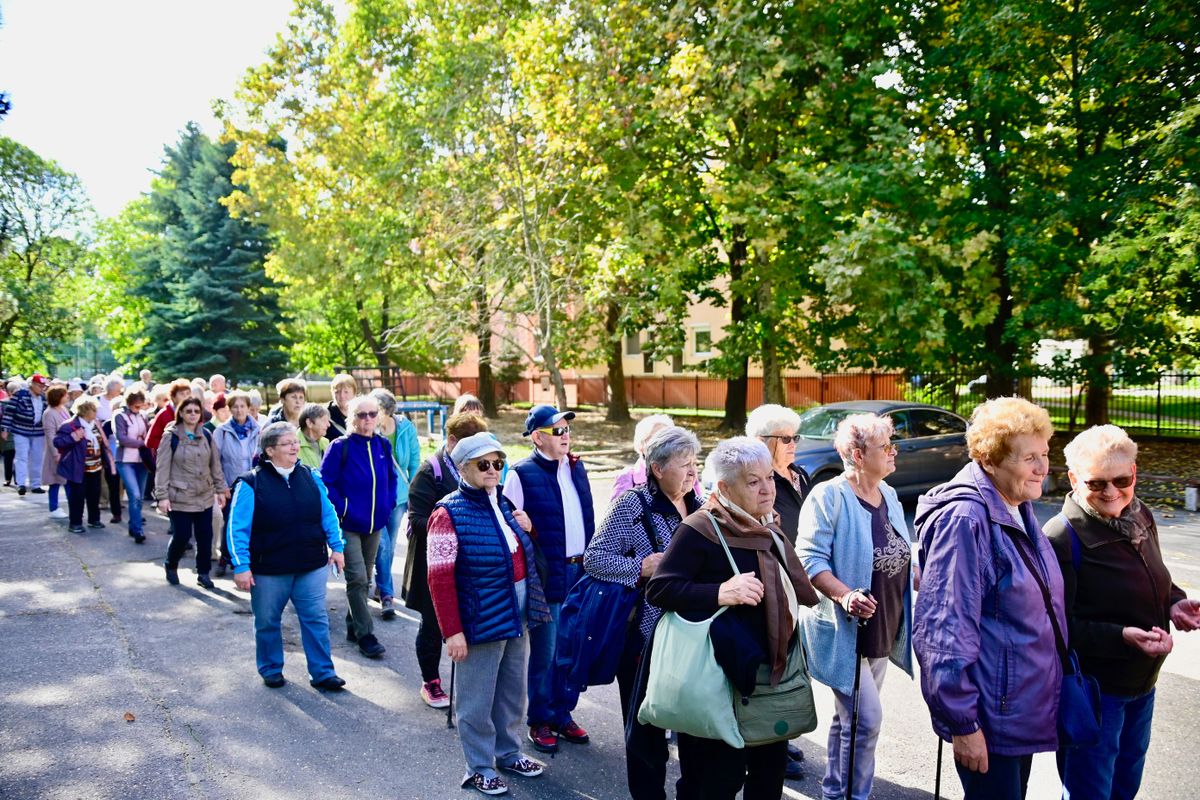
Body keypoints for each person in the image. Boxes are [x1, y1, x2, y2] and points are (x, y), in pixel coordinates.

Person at [646, 436, 819, 800]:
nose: (766, 489)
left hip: (767, 676)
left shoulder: (767, 526)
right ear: (724, 487)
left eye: (769, 478)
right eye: (752, 481)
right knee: (712, 784)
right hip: (715, 680)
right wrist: (720, 592)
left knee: (767, 781)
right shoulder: (700, 529)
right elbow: (660, 589)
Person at [913, 397, 1060, 799]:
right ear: (989, 459)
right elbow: (943, 628)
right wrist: (963, 724)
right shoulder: (964, 519)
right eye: (1029, 457)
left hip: (1016, 712)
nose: (1043, 468)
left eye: (1045, 454)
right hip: (988, 718)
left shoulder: (1015, 506)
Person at [1044, 425, 1200, 799]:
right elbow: (1057, 630)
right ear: (1073, 479)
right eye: (1096, 483)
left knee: (1126, 784)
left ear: (1134, 472)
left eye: (1121, 479)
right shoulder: (1060, 537)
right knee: (1091, 790)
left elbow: (1155, 575)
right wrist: (1122, 636)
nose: (1112, 493)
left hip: (1143, 683)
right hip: (1097, 692)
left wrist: (1174, 601)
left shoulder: (1139, 512)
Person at [427, 431, 552, 796]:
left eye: (498, 463)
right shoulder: (446, 513)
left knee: (512, 692)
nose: (493, 470)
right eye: (484, 464)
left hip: (517, 614)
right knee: (476, 700)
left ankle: (509, 753)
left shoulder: (503, 502)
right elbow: (439, 578)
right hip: (479, 619)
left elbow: (520, 554)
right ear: (462, 467)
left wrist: (529, 528)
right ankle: (479, 766)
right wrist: (452, 632)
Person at [797, 413, 914, 800]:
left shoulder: (889, 494)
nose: (894, 451)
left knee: (848, 719)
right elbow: (810, 560)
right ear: (859, 455)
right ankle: (854, 797)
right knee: (865, 722)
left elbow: (898, 552)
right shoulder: (828, 496)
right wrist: (845, 595)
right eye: (886, 446)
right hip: (845, 629)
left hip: (882, 625)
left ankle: (835, 789)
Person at [584, 425, 702, 800]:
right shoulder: (632, 505)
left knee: (694, 729)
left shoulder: (700, 504)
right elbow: (594, 559)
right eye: (684, 464)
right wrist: (639, 568)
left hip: (695, 638)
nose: (692, 472)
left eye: (694, 463)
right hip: (645, 640)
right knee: (645, 733)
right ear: (657, 469)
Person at [226, 421, 348, 691]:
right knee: (268, 621)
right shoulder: (250, 483)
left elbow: (326, 513)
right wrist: (241, 566)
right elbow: (237, 528)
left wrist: (337, 547)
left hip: (310, 565)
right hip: (269, 570)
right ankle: (270, 668)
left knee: (316, 618)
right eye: (287, 443)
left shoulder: (310, 475)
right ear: (270, 451)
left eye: (295, 441)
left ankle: (323, 673)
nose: (295, 446)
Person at [503, 404, 595, 753]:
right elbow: (509, 525)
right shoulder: (521, 474)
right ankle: (540, 718)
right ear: (538, 437)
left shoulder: (576, 468)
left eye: (567, 429)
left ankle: (562, 713)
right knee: (547, 650)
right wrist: (530, 530)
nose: (566, 436)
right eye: (558, 431)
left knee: (572, 649)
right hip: (548, 572)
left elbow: (587, 517)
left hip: (580, 570)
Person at [405, 411, 491, 709]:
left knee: (465, 621)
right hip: (434, 563)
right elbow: (416, 520)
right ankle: (431, 681)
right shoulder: (431, 471)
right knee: (433, 624)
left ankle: (469, 684)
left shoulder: (479, 468)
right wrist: (452, 526)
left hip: (468, 565)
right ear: (452, 441)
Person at [320, 394, 398, 659]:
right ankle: (366, 635)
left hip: (375, 525)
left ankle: (353, 626)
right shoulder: (340, 446)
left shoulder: (382, 446)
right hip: (349, 525)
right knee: (358, 578)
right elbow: (325, 483)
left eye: (372, 414)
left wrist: (388, 505)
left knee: (363, 578)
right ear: (351, 418)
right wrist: (343, 509)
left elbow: (391, 479)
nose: (367, 419)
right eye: (361, 414)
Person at [156, 397, 226, 589]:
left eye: (196, 411)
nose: (193, 414)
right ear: (181, 413)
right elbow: (162, 468)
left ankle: (203, 574)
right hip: (179, 496)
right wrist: (162, 496)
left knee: (205, 536)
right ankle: (171, 564)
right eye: (189, 411)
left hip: (204, 495)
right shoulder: (171, 437)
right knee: (182, 535)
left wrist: (220, 489)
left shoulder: (206, 435)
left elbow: (215, 465)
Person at [370, 388, 421, 620]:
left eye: (376, 410)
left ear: (387, 411)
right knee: (384, 545)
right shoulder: (368, 430)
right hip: (374, 497)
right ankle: (387, 594)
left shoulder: (405, 429)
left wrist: (413, 493)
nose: (371, 414)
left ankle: (382, 584)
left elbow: (413, 462)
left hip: (398, 496)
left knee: (388, 545)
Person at [746, 404, 813, 545]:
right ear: (761, 441)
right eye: (785, 439)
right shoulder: (754, 482)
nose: (792, 444)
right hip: (778, 561)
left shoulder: (801, 475)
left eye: (795, 438)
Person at [212, 391, 261, 576]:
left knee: (251, 522)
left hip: (252, 485)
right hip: (229, 485)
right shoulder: (221, 432)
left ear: (249, 408)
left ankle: (246, 560)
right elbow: (215, 461)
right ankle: (225, 557)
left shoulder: (257, 430)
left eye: (242, 406)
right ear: (229, 409)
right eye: (235, 406)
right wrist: (221, 485)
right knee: (230, 522)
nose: (239, 410)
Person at [53, 396, 117, 535]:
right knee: (78, 496)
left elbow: (102, 442)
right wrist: (74, 437)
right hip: (78, 468)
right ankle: (75, 523)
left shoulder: (96, 423)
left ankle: (94, 520)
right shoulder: (69, 425)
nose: (96, 412)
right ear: (85, 410)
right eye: (93, 410)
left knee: (94, 495)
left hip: (96, 467)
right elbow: (57, 442)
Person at [1, 373, 49, 496]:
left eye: (43, 386)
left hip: (38, 432)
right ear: (32, 384)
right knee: (21, 457)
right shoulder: (20, 395)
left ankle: (35, 485)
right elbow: (9, 412)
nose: (42, 388)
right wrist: (5, 429)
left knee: (37, 458)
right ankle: (20, 484)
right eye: (39, 385)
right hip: (21, 430)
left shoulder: (43, 398)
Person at [609, 414, 674, 503]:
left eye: (668, 438)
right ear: (641, 445)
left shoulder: (685, 473)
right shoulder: (627, 477)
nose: (663, 443)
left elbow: (699, 510)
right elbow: (616, 515)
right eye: (655, 438)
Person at [114, 389, 151, 544]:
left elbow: (149, 434)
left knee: (139, 497)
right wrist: (141, 443)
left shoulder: (143, 416)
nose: (139, 409)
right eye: (136, 406)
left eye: (141, 406)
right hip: (125, 460)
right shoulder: (119, 416)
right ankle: (137, 529)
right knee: (134, 494)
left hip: (141, 461)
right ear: (129, 404)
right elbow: (122, 438)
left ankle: (133, 524)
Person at [40, 385, 71, 520]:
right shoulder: (49, 413)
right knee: (55, 480)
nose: (67, 396)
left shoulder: (63, 409)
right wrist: (55, 453)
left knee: (68, 480)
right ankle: (54, 507)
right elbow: (50, 435)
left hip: (67, 449)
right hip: (57, 451)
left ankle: (73, 505)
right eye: (65, 394)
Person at [145, 379, 193, 457]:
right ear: (173, 397)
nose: (186, 396)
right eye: (182, 394)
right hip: (168, 460)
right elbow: (150, 441)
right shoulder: (164, 414)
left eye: (188, 393)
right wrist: (170, 446)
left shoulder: (194, 413)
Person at [297, 403, 331, 469]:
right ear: (309, 423)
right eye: (324, 420)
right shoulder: (293, 444)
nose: (328, 425)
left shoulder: (325, 443)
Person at [326, 373, 357, 441]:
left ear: (354, 393)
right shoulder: (325, 415)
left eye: (346, 392)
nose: (342, 396)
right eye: (337, 392)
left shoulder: (362, 413)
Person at [0, 380, 18, 486]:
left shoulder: (2, 403)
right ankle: (16, 479)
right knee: (12, 457)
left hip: (8, 433)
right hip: (10, 433)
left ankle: (10, 479)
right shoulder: (3, 403)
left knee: (9, 457)